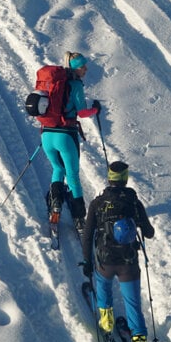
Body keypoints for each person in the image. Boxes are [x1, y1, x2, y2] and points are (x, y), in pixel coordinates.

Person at [81, 161, 155, 342]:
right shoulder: (134, 202)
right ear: (125, 178)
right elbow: (149, 233)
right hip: (129, 264)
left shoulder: (97, 203)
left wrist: (87, 262)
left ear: (109, 178)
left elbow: (87, 236)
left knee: (103, 286)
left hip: (105, 262)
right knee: (133, 305)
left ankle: (106, 323)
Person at [42, 52, 100, 228]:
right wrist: (95, 110)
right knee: (73, 175)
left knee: (57, 168)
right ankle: (79, 218)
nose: (86, 69)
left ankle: (56, 206)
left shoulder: (53, 83)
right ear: (76, 68)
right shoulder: (75, 85)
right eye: (83, 66)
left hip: (46, 135)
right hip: (66, 136)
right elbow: (82, 113)